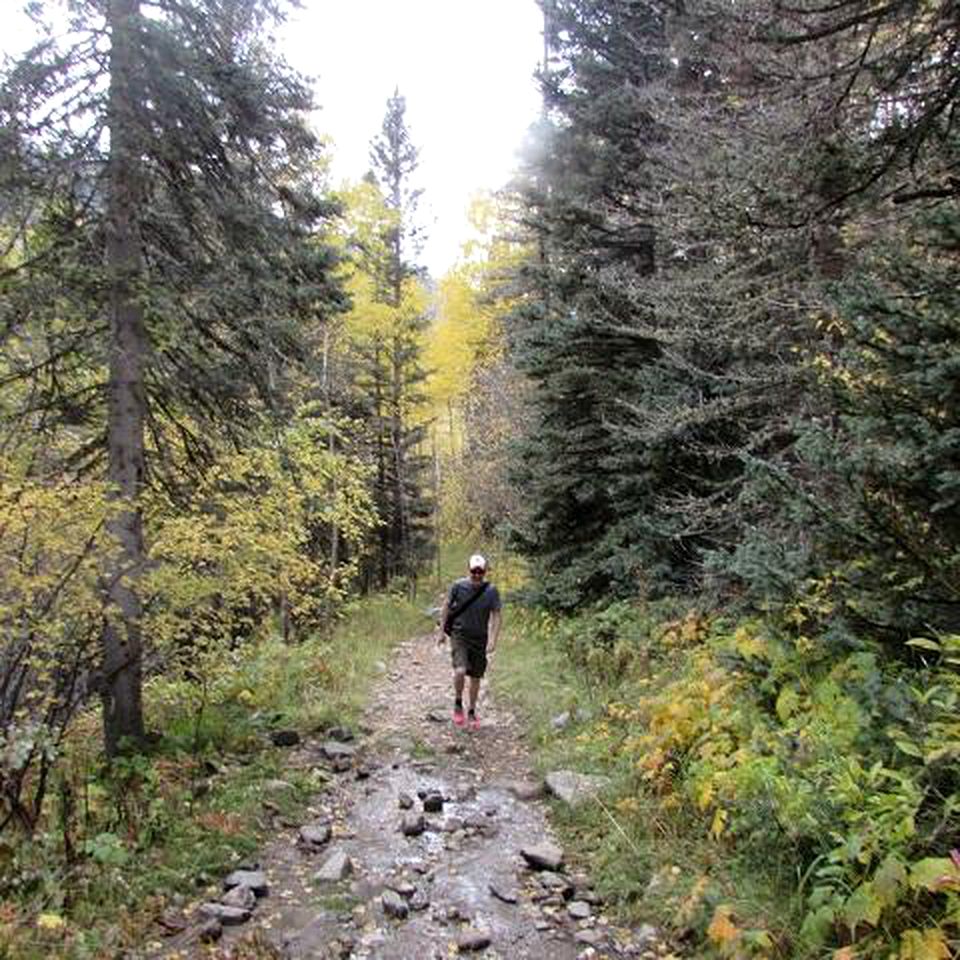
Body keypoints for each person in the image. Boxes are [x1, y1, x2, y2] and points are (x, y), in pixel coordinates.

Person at [436, 553, 502, 729]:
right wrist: (441, 632)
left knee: (475, 677)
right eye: (474, 571)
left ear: (485, 572)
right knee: (460, 670)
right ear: (469, 570)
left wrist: (493, 640)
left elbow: (496, 616)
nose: (477, 575)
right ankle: (458, 704)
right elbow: (446, 607)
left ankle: (472, 711)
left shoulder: (491, 591)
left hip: (480, 638)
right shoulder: (458, 586)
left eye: (480, 571)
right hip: (460, 635)